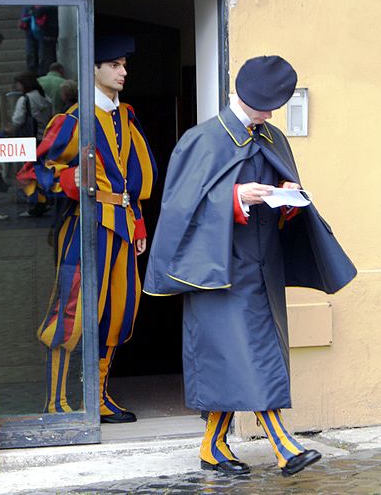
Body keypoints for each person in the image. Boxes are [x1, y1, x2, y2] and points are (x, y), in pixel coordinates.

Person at [143, 56, 356, 476]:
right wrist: (238, 196)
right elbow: (180, 210)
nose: (272, 113)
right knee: (249, 356)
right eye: (265, 105)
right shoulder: (201, 140)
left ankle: (212, 448)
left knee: (239, 357)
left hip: (265, 266)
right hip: (218, 268)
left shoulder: (273, 137)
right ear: (243, 96)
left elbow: (283, 205)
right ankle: (284, 446)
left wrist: (286, 196)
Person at [17, 35, 157, 422]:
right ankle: (58, 403)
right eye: (114, 64)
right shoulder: (73, 119)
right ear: (93, 69)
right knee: (72, 313)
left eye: (124, 64)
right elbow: (31, 171)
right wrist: (68, 180)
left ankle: (96, 398)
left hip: (124, 227)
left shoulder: (126, 116)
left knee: (118, 313)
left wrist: (139, 222)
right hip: (86, 226)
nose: (123, 71)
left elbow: (136, 179)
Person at [11, 71, 53, 143]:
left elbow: (17, 121)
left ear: (24, 84)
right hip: (46, 136)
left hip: (30, 138)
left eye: (18, 84)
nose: (17, 87)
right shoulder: (45, 97)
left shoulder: (24, 100)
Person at [19, 6, 58, 76]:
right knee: (31, 55)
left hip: (46, 29)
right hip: (31, 29)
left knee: (45, 57)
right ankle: (32, 77)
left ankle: (44, 76)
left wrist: (37, 10)